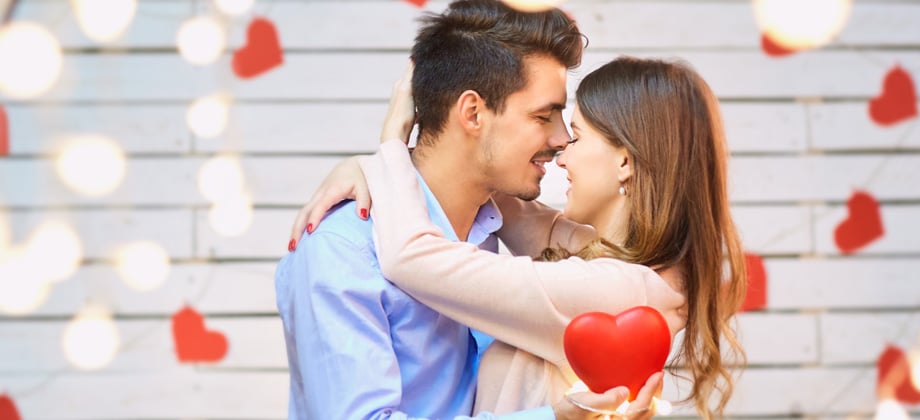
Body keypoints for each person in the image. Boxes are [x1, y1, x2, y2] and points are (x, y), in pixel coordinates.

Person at [293, 57, 748, 419]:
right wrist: (382, 165)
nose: (559, 149)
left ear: (624, 163)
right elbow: (496, 187)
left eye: (577, 136)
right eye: (546, 119)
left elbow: (411, 258)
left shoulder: (617, 291)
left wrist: (390, 143)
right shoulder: (629, 267)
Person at [275, 1, 664, 419]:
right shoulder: (343, 250)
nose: (561, 138)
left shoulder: (491, 229)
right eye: (544, 115)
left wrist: (381, 158)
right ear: (473, 113)